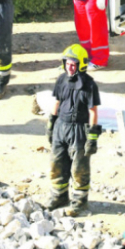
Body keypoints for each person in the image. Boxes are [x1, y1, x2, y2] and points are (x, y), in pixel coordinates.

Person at [45, 44, 101, 217]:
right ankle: (59, 196)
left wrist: (92, 138)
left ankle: (79, 202)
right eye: (67, 64)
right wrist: (51, 124)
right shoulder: (61, 80)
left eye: (73, 64)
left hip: (79, 131)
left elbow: (93, 111)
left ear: (81, 65)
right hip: (61, 127)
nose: (69, 67)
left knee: (79, 169)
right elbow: (57, 102)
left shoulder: (89, 85)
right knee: (56, 164)